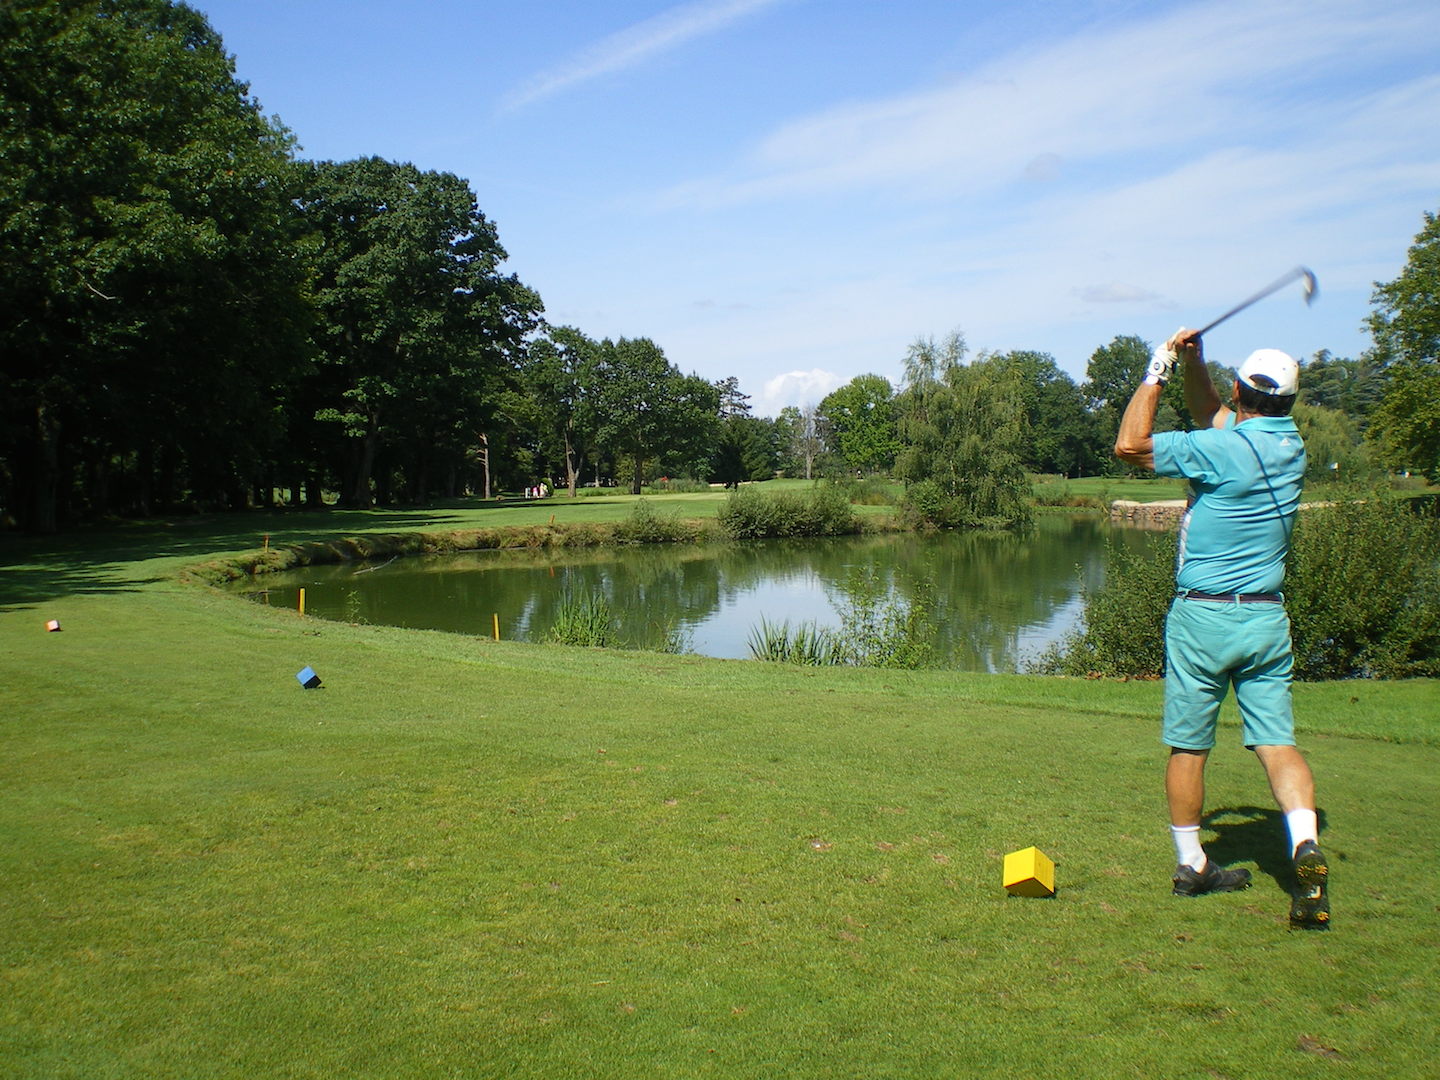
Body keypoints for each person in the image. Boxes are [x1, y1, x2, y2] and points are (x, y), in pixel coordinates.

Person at [1114, 327, 1329, 929]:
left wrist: (1159, 366)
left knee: (1190, 743)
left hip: (1203, 615)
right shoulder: (1288, 445)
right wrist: (1197, 362)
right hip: (1265, 617)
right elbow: (1214, 413)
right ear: (1289, 403)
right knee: (1276, 741)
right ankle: (1305, 844)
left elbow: (1130, 445)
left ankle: (1192, 864)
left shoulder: (1221, 448)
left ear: (1240, 393)